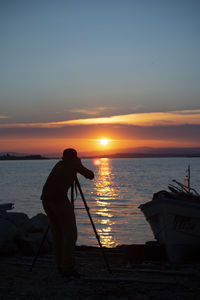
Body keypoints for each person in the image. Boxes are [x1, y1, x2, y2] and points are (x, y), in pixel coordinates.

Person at [41, 148, 94, 277]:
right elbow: (90, 175)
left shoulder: (59, 164)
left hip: (46, 201)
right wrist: (79, 165)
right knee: (70, 235)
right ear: (74, 157)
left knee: (58, 234)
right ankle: (68, 268)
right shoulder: (73, 165)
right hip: (59, 201)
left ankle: (59, 265)